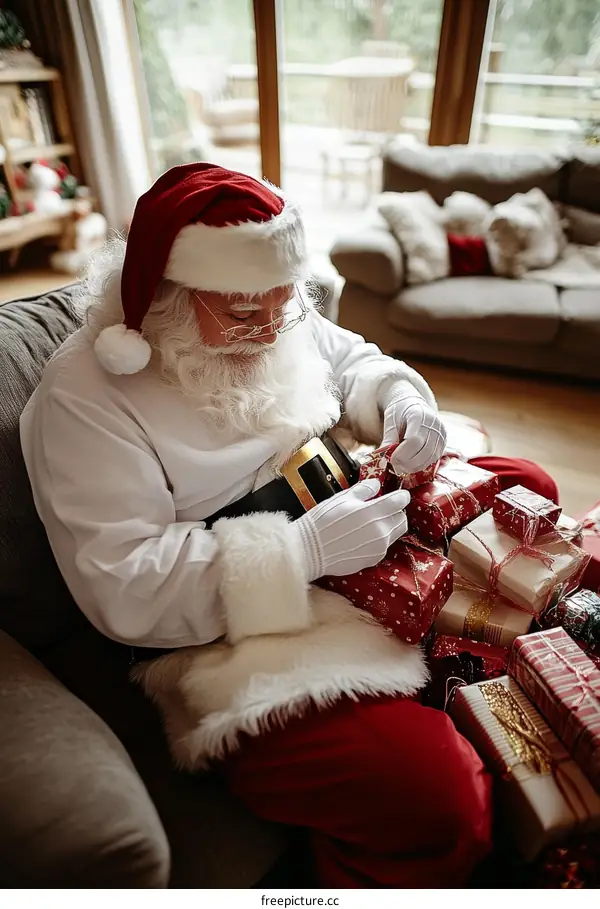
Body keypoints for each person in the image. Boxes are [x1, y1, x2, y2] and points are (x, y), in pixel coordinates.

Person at [20, 164, 558, 888]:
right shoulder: (85, 397)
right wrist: (298, 549)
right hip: (245, 630)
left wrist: (402, 399)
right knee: (440, 800)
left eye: (284, 303)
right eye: (247, 313)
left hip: (355, 509)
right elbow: (127, 587)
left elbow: (351, 358)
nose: (271, 326)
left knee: (532, 486)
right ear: (163, 298)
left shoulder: (262, 308)